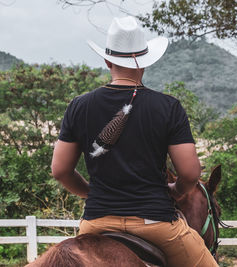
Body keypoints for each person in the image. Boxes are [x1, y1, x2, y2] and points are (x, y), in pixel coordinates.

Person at [51, 16, 218, 266]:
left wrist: (91, 192)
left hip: (97, 222)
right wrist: (177, 190)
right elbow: (190, 173)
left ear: (108, 60)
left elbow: (61, 170)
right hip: (156, 224)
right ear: (145, 63)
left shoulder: (79, 106)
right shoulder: (168, 107)